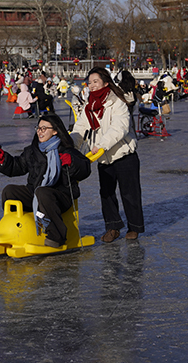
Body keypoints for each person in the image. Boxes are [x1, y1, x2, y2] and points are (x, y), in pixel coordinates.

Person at [0, 113, 91, 248]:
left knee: (43, 192)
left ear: (55, 131)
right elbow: (17, 166)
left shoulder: (66, 150)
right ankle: (18, 229)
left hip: (60, 196)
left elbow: (85, 169)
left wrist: (72, 162)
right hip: (36, 193)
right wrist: (3, 160)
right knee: (9, 191)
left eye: (44, 128)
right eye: (38, 128)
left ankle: (57, 236)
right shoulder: (33, 151)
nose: (40, 132)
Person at [71, 67, 144, 243]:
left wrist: (102, 145)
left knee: (130, 193)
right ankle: (112, 227)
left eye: (95, 81)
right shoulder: (89, 106)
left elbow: (120, 128)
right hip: (103, 157)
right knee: (106, 193)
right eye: (89, 82)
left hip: (123, 154)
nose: (92, 85)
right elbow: (80, 128)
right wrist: (70, 145)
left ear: (105, 82)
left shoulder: (117, 101)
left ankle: (134, 227)